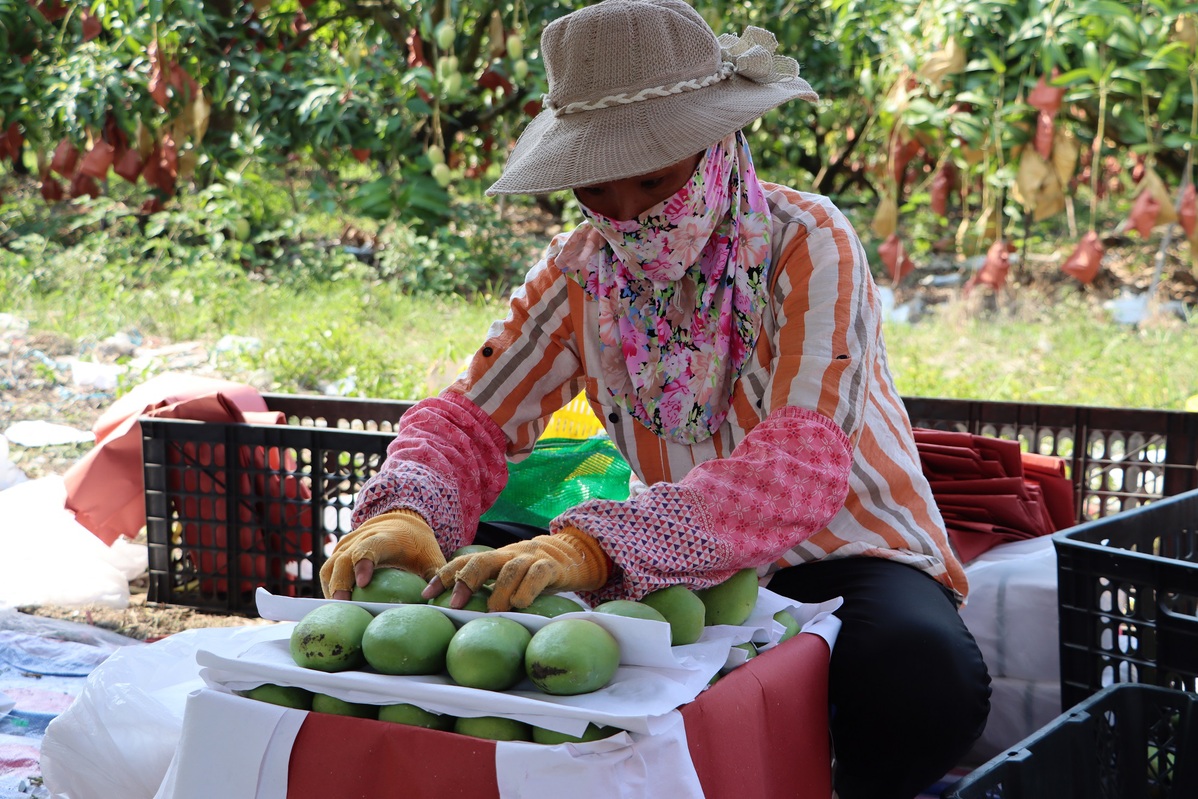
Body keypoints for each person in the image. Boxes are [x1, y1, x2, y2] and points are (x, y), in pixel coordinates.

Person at [320, 1, 991, 796]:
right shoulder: (578, 270)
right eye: (597, 191)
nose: (629, 214)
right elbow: (470, 417)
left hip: (841, 556)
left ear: (718, 145)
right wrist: (408, 507)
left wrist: (598, 545)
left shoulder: (808, 241)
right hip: (673, 557)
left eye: (656, 179)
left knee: (923, 677)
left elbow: (800, 463)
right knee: (450, 566)